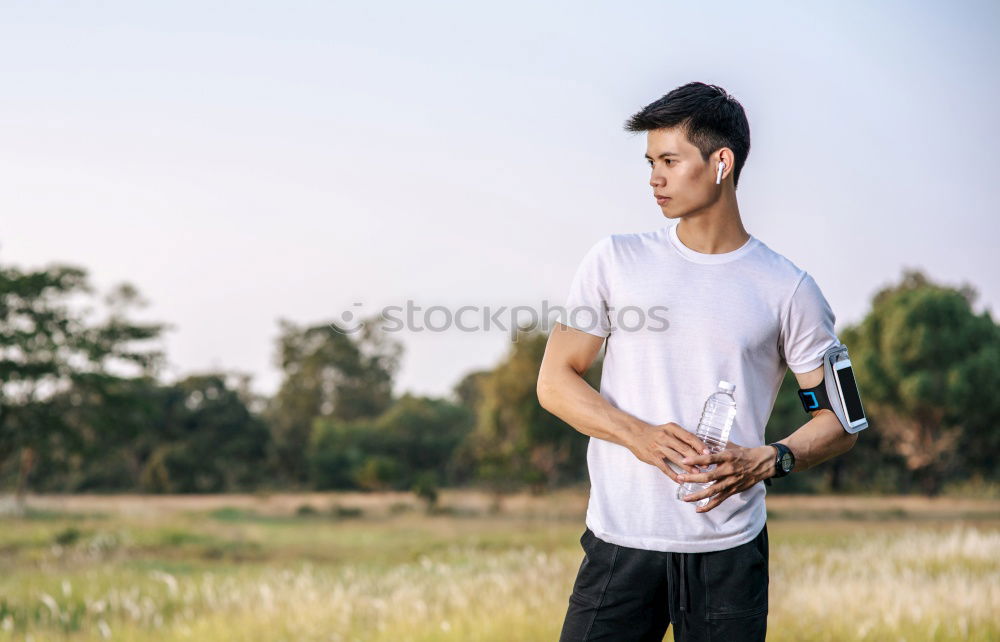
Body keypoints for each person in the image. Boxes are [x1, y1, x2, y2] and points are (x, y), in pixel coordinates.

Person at [536, 81, 859, 642]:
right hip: (620, 544)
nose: (654, 178)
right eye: (649, 163)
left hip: (728, 558)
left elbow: (840, 421)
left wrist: (767, 460)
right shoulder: (616, 260)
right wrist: (636, 434)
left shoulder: (789, 288)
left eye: (669, 160)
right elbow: (555, 383)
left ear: (721, 162)